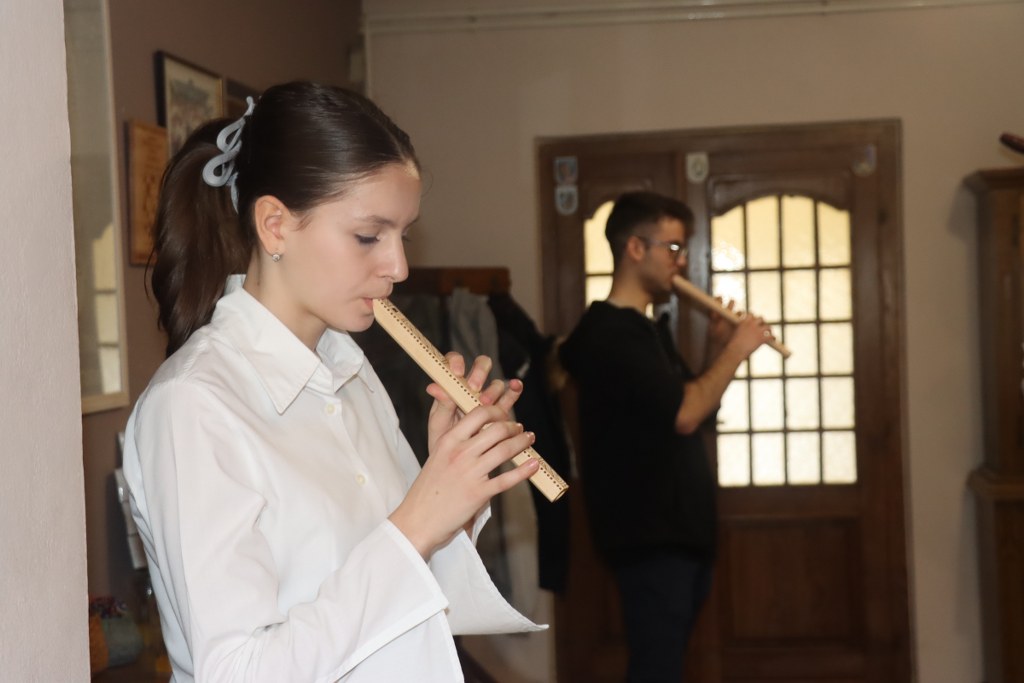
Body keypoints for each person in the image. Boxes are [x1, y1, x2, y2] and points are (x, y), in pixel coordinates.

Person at [122, 81, 544, 683]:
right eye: (369, 236)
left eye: (403, 234)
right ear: (274, 226)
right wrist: (418, 521)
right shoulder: (192, 404)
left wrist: (455, 485)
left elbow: (408, 603)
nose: (398, 266)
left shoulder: (349, 368)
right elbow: (238, 671)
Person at [558, 191, 772, 682]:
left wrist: (718, 348)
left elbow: (683, 407)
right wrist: (737, 351)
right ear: (635, 248)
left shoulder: (646, 331)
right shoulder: (611, 333)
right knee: (656, 670)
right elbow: (685, 413)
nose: (681, 261)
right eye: (672, 248)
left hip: (675, 533)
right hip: (649, 536)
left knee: (664, 665)